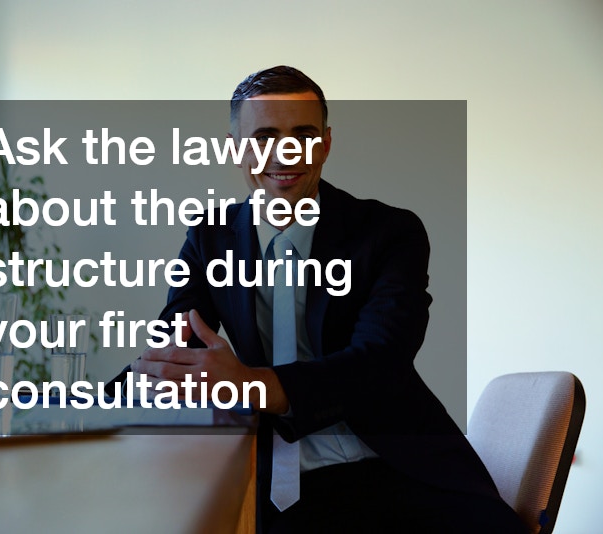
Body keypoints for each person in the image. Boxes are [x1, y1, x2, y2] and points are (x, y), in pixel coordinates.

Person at [122, 66, 525, 533]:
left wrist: (250, 384)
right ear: (235, 148)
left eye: (304, 134)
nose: (286, 151)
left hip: (395, 471)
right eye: (265, 136)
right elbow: (173, 350)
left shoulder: (390, 233)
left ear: (326, 144)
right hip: (270, 483)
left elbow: (378, 363)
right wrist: (72, 403)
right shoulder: (210, 237)